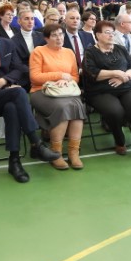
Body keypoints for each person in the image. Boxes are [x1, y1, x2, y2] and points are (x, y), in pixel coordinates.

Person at [0, 12, 60, 183]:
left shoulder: (7, 43)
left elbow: (18, 69)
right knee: (19, 93)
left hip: (7, 94)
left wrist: (4, 81)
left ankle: (14, 161)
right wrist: (6, 84)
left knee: (12, 108)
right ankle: (36, 143)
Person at [83, 20, 131, 163]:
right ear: (98, 35)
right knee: (115, 111)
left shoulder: (120, 49)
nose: (111, 35)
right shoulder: (90, 52)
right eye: (107, 32)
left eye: (112, 32)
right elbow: (92, 73)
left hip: (125, 87)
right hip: (100, 91)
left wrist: (125, 77)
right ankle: (119, 140)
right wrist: (116, 73)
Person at [29, 24, 87, 170]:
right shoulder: (38, 51)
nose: (59, 38)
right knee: (62, 107)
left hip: (65, 91)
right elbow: (35, 77)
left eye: (61, 34)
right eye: (54, 35)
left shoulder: (69, 52)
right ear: (46, 38)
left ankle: (74, 152)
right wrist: (59, 76)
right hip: (41, 91)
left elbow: (75, 77)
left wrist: (66, 80)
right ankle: (56, 153)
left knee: (78, 105)